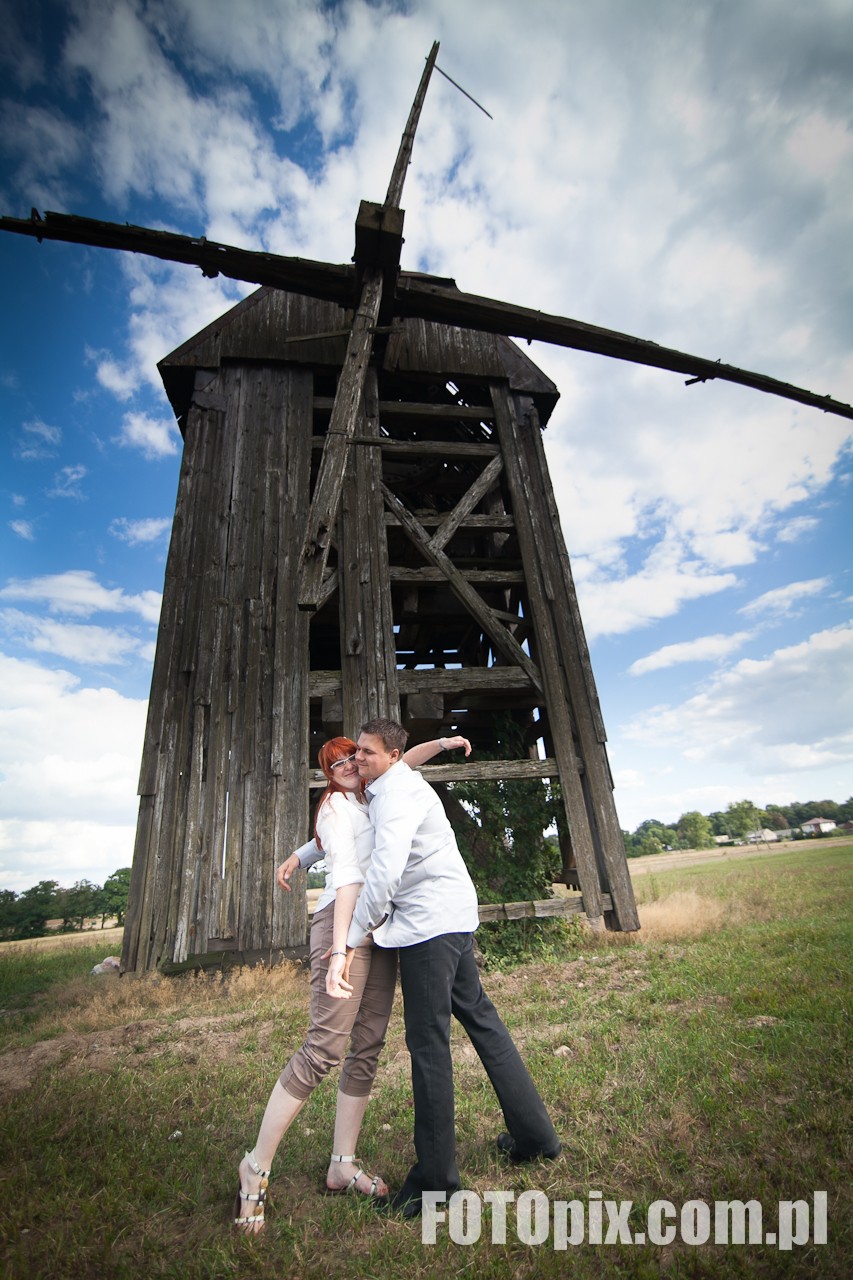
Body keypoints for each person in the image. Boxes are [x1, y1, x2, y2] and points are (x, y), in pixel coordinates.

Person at [234, 731, 471, 1234]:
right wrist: (341, 949)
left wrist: (445, 743)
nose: (347, 764)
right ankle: (255, 1167)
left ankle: (343, 1163)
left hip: (377, 928)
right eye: (335, 761)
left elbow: (404, 759)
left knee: (367, 1046)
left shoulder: (373, 793)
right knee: (324, 1047)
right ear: (326, 774)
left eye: (352, 755)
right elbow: (346, 875)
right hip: (344, 925)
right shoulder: (338, 809)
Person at [329, 716, 561, 1218]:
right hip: (453, 915)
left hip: (429, 929)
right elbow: (410, 759)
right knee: (482, 1020)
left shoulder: (393, 796)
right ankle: (536, 1137)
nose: (359, 759)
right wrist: (441, 742)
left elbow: (386, 873)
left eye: (368, 752)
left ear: (389, 755)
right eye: (358, 752)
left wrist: (349, 939)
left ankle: (436, 1186)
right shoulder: (397, 778)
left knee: (428, 1047)